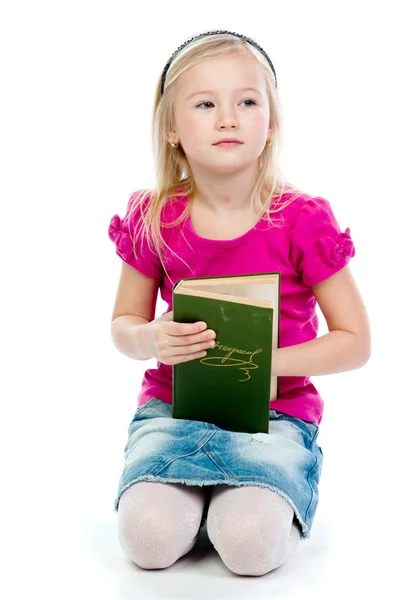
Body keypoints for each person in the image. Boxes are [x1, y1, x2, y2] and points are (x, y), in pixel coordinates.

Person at [107, 30, 371, 577]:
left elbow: (355, 343)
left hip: (274, 416)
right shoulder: (155, 217)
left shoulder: (302, 219)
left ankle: (254, 496)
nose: (228, 118)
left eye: (247, 102)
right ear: (172, 129)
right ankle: (203, 499)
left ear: (270, 122)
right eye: (205, 104)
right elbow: (123, 324)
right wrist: (150, 337)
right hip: (176, 409)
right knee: (147, 543)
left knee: (249, 549)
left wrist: (265, 365)